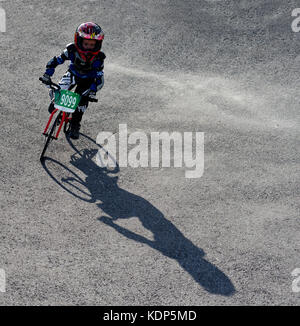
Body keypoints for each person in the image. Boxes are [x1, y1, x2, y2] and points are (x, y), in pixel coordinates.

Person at [40, 22, 106, 139]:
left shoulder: (99, 58)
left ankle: (75, 124)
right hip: (73, 74)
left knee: (82, 103)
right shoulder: (71, 50)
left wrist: (93, 89)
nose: (89, 47)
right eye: (86, 43)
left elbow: (100, 77)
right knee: (57, 89)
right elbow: (55, 61)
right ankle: (56, 104)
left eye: (92, 44)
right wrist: (47, 74)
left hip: (87, 80)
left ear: (98, 44)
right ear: (79, 41)